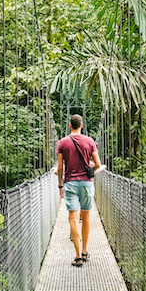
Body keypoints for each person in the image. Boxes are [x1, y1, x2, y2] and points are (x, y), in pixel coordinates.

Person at [56, 114, 102, 267]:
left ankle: (78, 257)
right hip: (87, 184)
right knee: (86, 218)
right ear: (81, 126)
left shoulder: (62, 143)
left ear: (70, 125)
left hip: (70, 184)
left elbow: (60, 167)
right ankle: (84, 251)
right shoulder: (89, 141)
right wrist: (89, 168)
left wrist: (60, 186)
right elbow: (97, 163)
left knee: (73, 219)